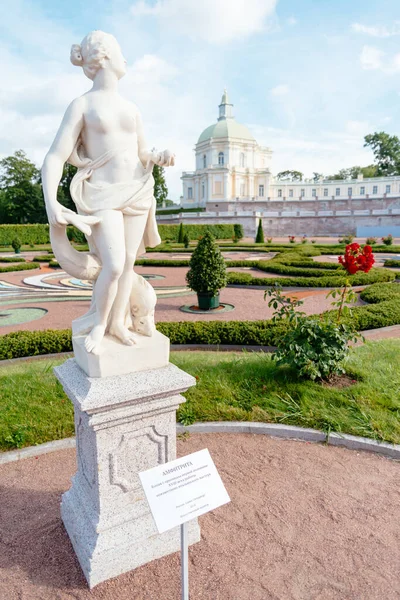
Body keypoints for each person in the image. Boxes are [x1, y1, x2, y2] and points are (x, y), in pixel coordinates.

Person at [42, 30, 174, 355]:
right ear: (103, 57)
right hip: (101, 193)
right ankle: (100, 323)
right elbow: (54, 157)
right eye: (120, 52)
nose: (125, 59)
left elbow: (143, 152)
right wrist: (51, 203)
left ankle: (118, 322)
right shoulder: (83, 104)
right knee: (113, 264)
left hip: (138, 191)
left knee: (127, 263)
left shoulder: (132, 107)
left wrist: (159, 156)